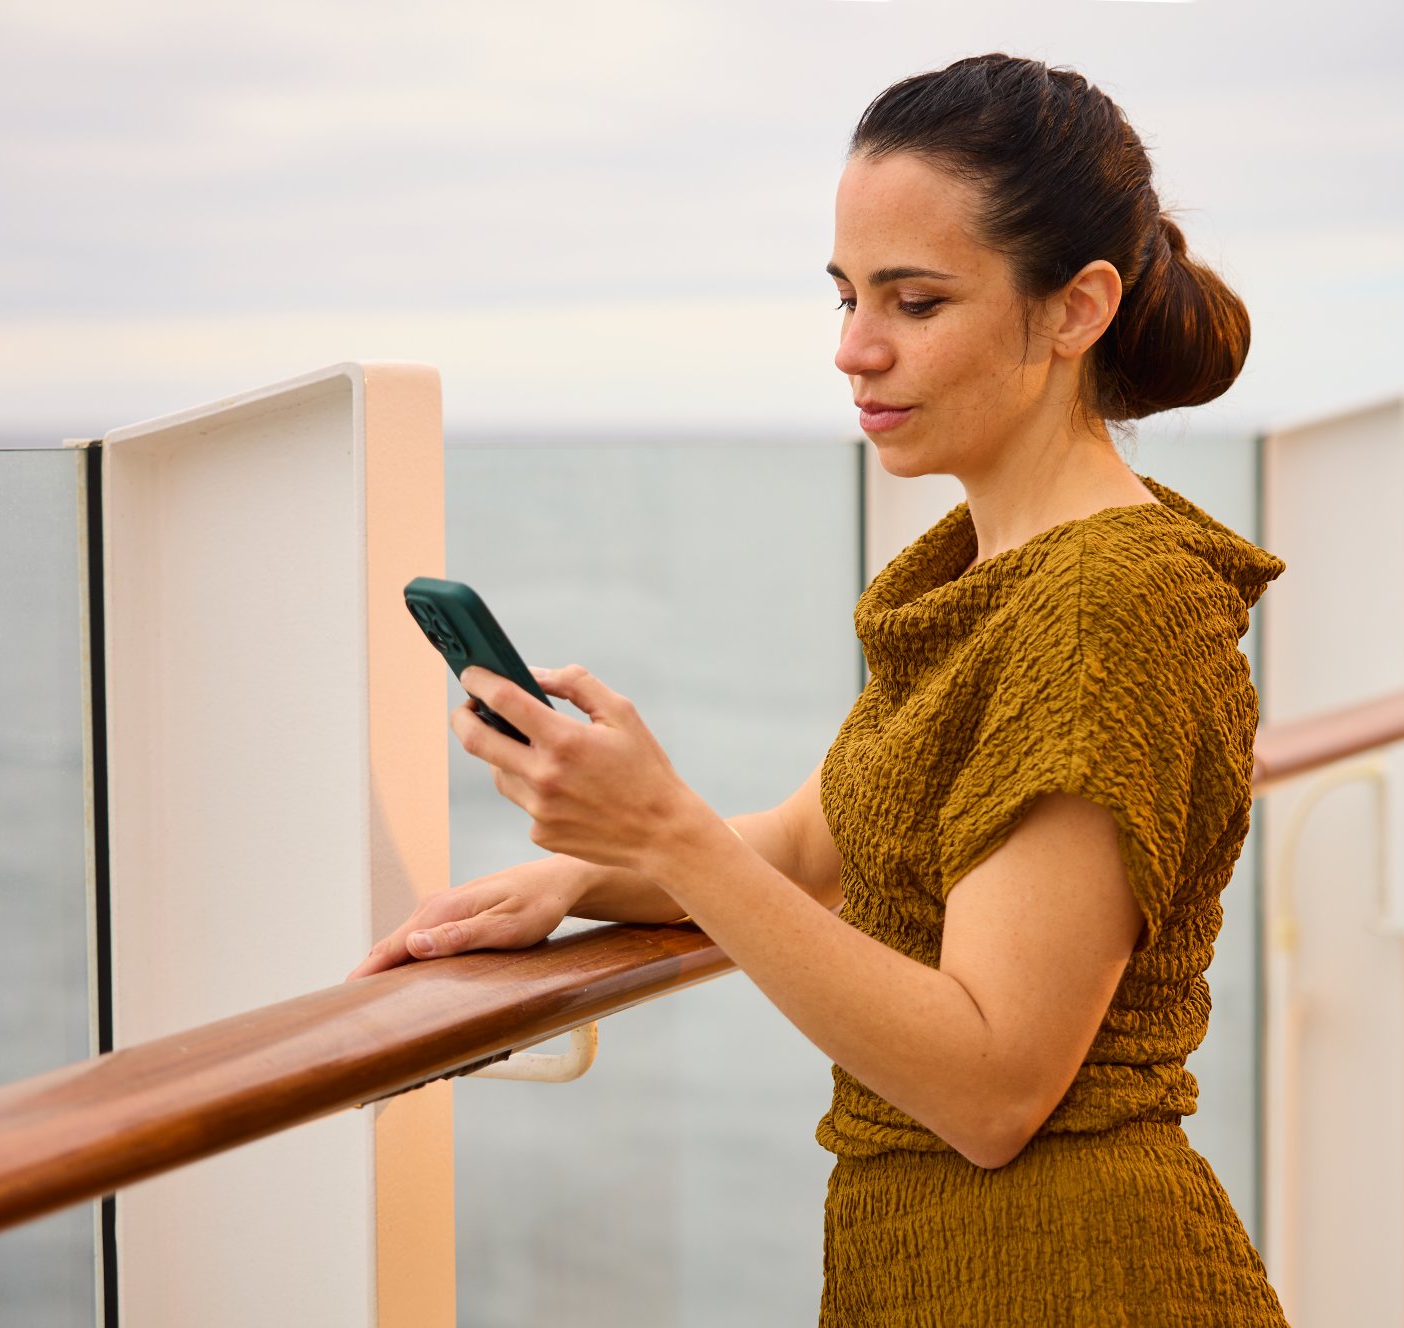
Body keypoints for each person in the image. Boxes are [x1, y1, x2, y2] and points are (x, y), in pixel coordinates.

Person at [348, 52, 1291, 1327]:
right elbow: (807, 846)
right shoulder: (977, 569)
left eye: (914, 301)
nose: (855, 349)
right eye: (845, 296)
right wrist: (579, 875)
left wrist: (664, 828)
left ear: (1074, 310)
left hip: (1067, 1272)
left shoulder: (1104, 604)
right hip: (942, 1262)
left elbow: (992, 1083)